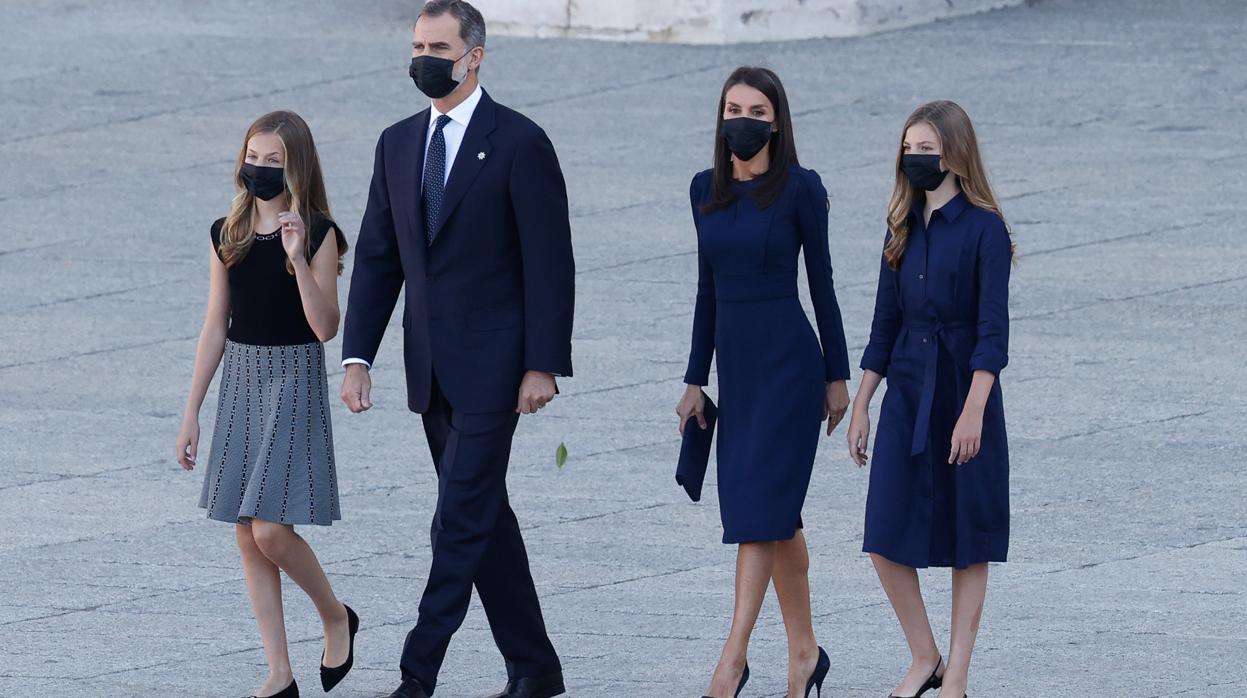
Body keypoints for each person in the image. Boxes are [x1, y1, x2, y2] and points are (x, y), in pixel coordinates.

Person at [337, 2, 575, 697]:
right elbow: (380, 257)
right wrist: (359, 357)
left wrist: (542, 363)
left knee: (458, 518)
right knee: (483, 517)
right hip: (430, 368)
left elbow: (549, 262)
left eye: (438, 45)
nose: (424, 57)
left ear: (475, 56)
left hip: (497, 369)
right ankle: (534, 667)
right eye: (416, 44)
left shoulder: (519, 143)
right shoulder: (398, 142)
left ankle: (417, 675)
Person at [676, 66, 851, 698]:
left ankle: (732, 660)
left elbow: (823, 286)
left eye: (755, 110)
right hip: (739, 374)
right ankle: (804, 653)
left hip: (790, 368)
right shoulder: (705, 189)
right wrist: (696, 378)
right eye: (732, 109)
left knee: (756, 517)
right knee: (778, 515)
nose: (742, 120)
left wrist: (839, 375)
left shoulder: (801, 190)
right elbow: (706, 291)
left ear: (775, 120)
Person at [176, 110, 358, 698]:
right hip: (241, 382)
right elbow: (214, 326)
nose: (259, 169)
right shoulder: (224, 234)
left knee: (273, 531)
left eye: (273, 161)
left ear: (296, 166)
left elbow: (327, 327)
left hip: (292, 379)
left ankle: (334, 614)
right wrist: (191, 413)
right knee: (245, 530)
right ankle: (279, 671)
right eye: (253, 157)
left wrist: (299, 256)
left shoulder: (320, 231)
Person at [845, 100, 1012, 698]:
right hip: (908, 394)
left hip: (965, 393)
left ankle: (957, 677)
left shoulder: (986, 229)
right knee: (884, 533)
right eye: (908, 149)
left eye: (927, 149)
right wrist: (863, 402)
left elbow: (993, 334)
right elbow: (883, 323)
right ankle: (925, 656)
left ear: (954, 153)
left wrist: (973, 411)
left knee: (970, 538)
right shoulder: (901, 225)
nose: (915, 159)